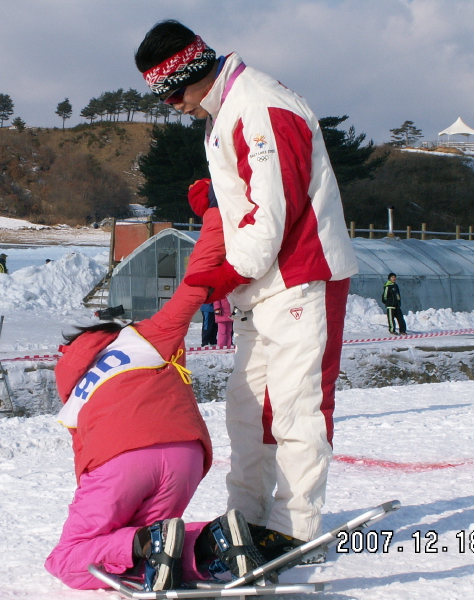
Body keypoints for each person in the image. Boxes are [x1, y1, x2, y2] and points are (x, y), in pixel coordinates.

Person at [136, 21, 358, 563]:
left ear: (194, 72)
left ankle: (292, 529)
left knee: (293, 408)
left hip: (300, 273)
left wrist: (226, 272)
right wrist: (219, 197)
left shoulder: (260, 105)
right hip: (263, 285)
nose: (173, 106)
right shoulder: (225, 109)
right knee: (246, 407)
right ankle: (248, 515)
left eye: (174, 93)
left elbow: (275, 210)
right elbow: (256, 190)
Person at [45, 204, 263, 591]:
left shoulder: (73, 391)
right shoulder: (145, 336)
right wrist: (216, 215)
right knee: (160, 551)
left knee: (68, 559)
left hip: (119, 462)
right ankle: (214, 544)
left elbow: (87, 458)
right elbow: (194, 286)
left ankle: (155, 542)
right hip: (186, 458)